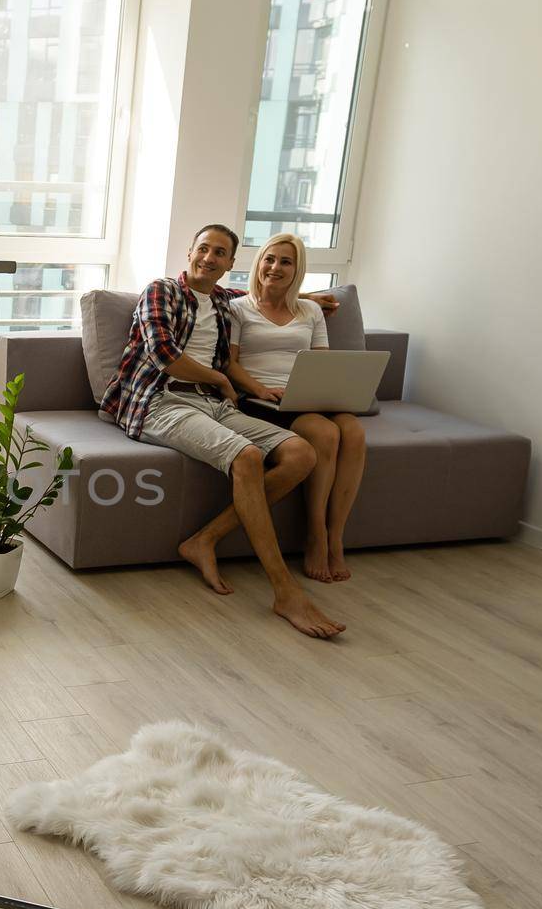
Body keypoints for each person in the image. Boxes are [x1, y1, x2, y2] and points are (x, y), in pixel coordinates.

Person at [100, 225, 345, 639]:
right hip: (160, 401)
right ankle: (285, 591)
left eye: (220, 254)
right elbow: (165, 356)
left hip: (210, 404)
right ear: (190, 251)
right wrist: (221, 378)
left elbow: (260, 296)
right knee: (247, 456)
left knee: (302, 454)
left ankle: (204, 540)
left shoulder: (222, 300)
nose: (209, 259)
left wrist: (304, 298)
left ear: (231, 264)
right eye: (203, 249)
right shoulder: (160, 291)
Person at [226, 233, 366, 583]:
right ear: (258, 262)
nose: (275, 267)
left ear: (297, 269)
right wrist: (260, 387)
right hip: (261, 397)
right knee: (324, 432)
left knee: (352, 429)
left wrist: (325, 390)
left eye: (286, 262)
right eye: (269, 259)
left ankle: (336, 536)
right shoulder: (237, 308)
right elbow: (229, 364)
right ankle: (316, 534)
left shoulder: (311, 310)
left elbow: (322, 362)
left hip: (307, 395)